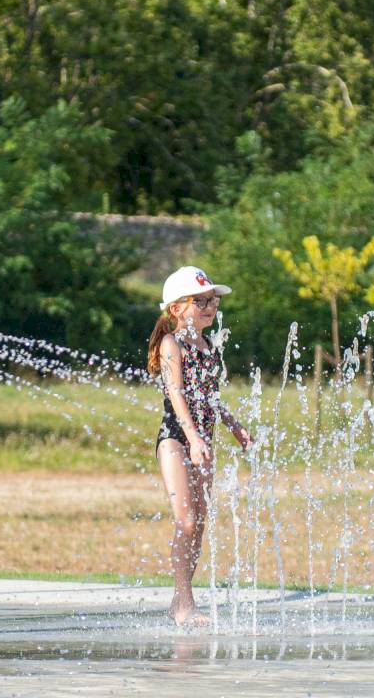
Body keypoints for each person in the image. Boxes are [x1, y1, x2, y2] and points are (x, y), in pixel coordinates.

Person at [147, 266, 251, 627]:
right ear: (176, 308)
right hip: (176, 439)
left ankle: (180, 599)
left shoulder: (209, 347)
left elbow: (211, 397)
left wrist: (235, 427)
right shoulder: (171, 344)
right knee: (186, 521)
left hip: (202, 441)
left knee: (200, 525)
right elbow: (176, 395)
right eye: (201, 301)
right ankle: (186, 604)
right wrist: (192, 438)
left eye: (213, 300)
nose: (210, 307)